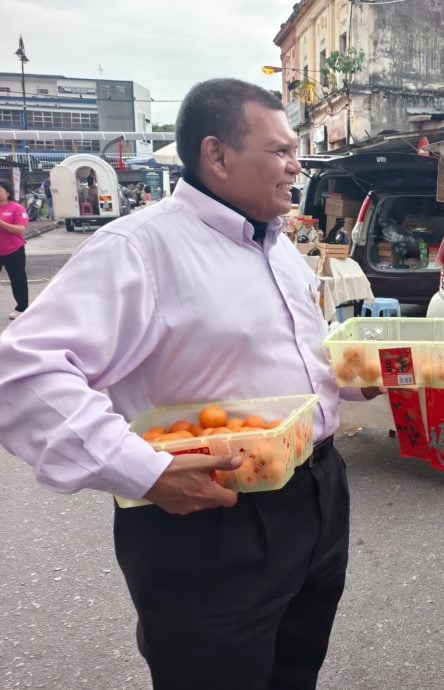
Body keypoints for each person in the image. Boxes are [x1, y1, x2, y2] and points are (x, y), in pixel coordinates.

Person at [0, 78, 381, 689]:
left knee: (295, 667)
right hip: (209, 517)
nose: (295, 167)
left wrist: (356, 380)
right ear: (218, 156)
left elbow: (277, 356)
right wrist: (138, 469)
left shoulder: (279, 245)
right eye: (279, 152)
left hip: (316, 494)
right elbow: (22, 368)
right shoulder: (141, 247)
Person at [0, 179, 29, 319]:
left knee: (17, 279)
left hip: (13, 250)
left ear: (7, 192)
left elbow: (19, 229)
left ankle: (21, 308)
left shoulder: (16, 208)